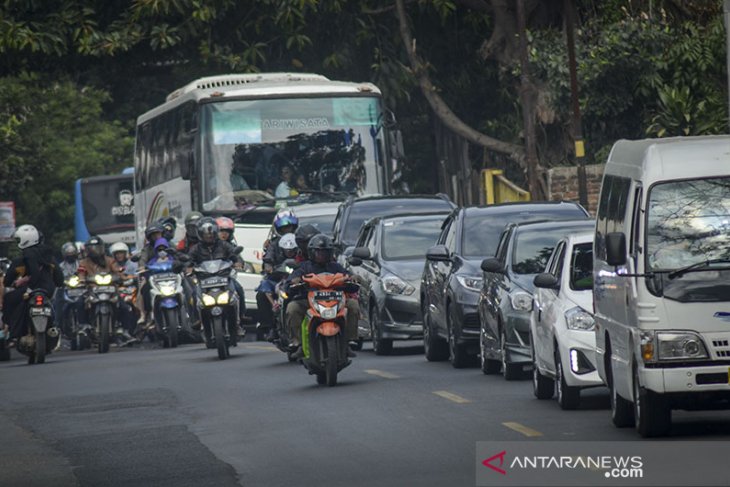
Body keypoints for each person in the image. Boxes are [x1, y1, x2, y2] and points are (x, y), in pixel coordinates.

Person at [284, 234, 358, 358]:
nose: (321, 255)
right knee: (292, 308)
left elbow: (350, 280)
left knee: (353, 305)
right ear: (311, 253)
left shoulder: (336, 267)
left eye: (324, 252)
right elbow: (289, 285)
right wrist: (294, 281)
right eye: (318, 252)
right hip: (309, 302)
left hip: (336, 301)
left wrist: (354, 278)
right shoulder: (304, 267)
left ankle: (349, 341)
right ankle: (299, 343)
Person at [2, 225, 63, 340]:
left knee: (8, 299)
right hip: (48, 291)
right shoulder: (50, 257)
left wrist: (23, 283)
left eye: (19, 240)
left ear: (25, 239)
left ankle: (11, 331)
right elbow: (60, 279)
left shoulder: (24, 258)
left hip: (32, 290)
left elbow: (8, 281)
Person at [189, 217, 246, 333]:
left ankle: (240, 319)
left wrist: (238, 262)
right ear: (200, 235)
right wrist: (187, 267)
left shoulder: (224, 245)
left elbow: (235, 255)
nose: (209, 236)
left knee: (238, 289)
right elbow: (188, 260)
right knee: (193, 294)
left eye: (211, 234)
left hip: (224, 278)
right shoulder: (196, 249)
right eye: (205, 234)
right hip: (204, 280)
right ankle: (197, 319)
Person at [78, 236, 135, 341]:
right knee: (80, 302)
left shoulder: (110, 260)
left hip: (111, 289)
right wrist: (81, 280)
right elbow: (81, 273)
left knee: (125, 307)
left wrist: (125, 278)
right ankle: (84, 325)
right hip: (92, 289)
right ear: (87, 250)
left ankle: (125, 330)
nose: (95, 251)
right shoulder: (83, 263)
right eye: (92, 248)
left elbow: (118, 271)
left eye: (97, 248)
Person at [257, 233, 298, 341]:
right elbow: (267, 260)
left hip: (297, 280)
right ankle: (270, 327)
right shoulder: (273, 245)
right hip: (277, 279)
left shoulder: (302, 248)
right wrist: (268, 267)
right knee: (261, 293)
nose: (289, 252)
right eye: (287, 250)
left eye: (292, 250)